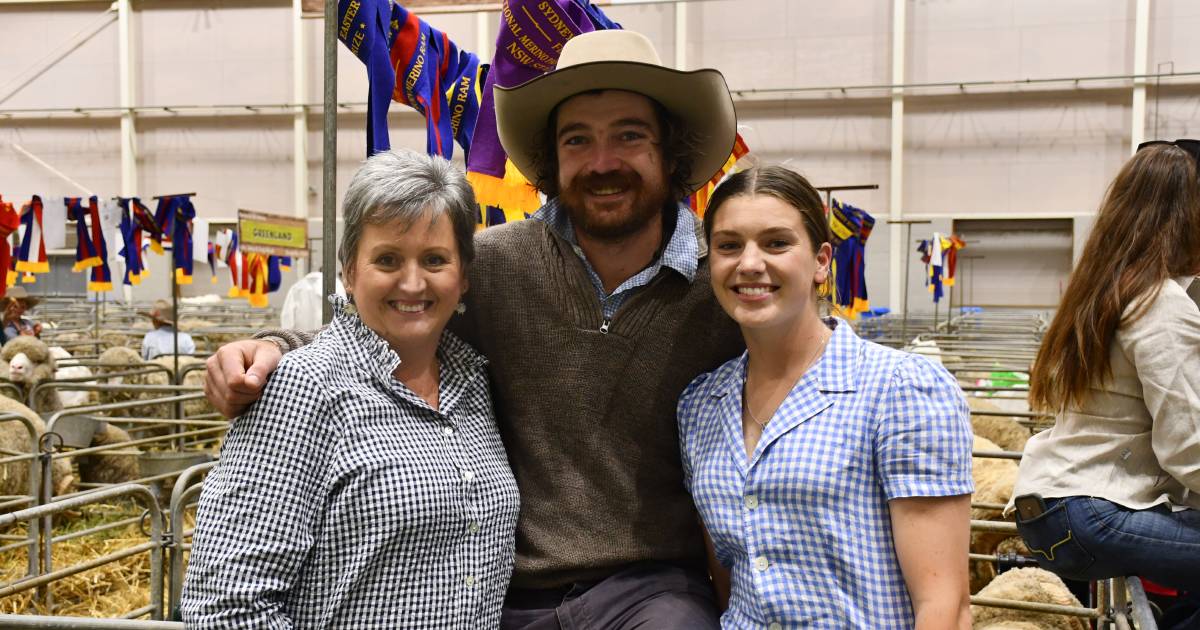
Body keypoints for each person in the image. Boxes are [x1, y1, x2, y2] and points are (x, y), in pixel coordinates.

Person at [204, 29, 744, 629]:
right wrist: (272, 351)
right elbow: (392, 324)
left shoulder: (720, 285)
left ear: (669, 152)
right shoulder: (493, 265)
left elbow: (798, 349)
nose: (602, 161)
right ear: (551, 158)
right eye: (577, 139)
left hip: (652, 591)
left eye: (629, 136)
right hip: (516, 595)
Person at [181, 150, 520, 628]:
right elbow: (227, 607)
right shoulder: (303, 389)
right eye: (387, 259)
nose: (412, 281)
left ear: (463, 276)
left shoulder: (473, 382)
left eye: (435, 259)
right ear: (348, 272)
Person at [677, 165, 974, 629]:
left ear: (821, 261)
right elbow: (728, 579)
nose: (750, 263)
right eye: (729, 245)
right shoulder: (700, 406)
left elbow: (944, 605)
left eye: (776, 243)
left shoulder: (901, 392)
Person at [1010, 140, 1200, 620]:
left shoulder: (1106, 291)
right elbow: (1187, 445)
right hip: (1093, 513)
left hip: (1052, 511)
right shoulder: (1161, 304)